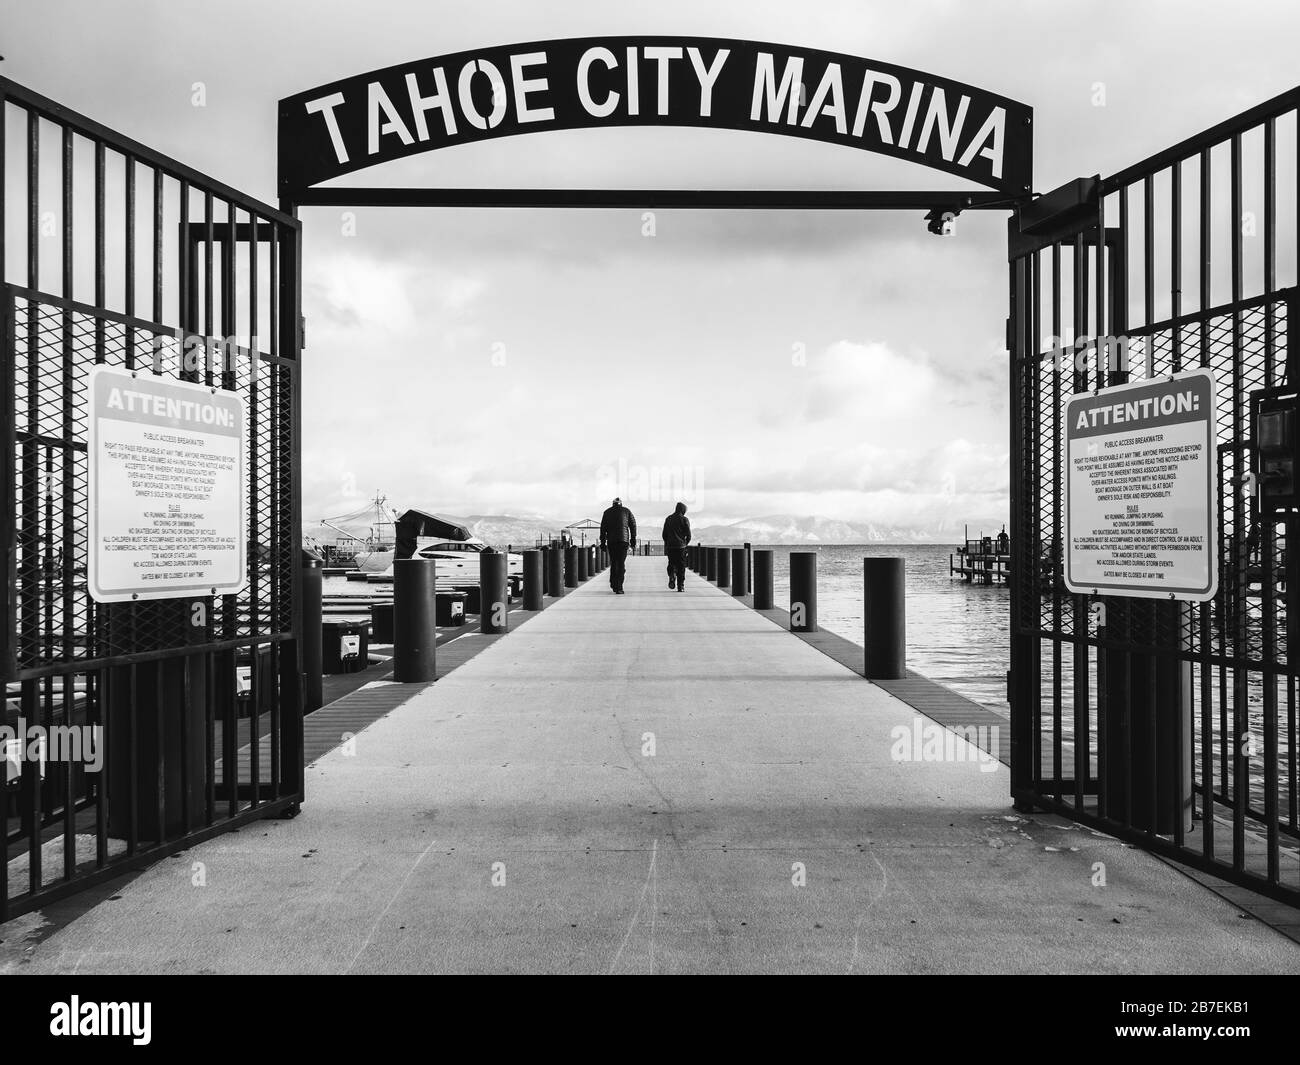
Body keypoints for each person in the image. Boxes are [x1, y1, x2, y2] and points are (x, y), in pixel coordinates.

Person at [599, 497, 636, 594]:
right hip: (623, 542)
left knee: (614, 562)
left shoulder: (607, 512)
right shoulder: (627, 511)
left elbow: (603, 529)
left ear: (613, 504)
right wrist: (633, 540)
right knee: (621, 563)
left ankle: (613, 583)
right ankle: (619, 586)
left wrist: (603, 543)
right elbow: (633, 526)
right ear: (621, 504)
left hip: (612, 541)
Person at [661, 502, 691, 592]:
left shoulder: (668, 519)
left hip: (670, 547)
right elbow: (688, 535)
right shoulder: (684, 519)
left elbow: (664, 534)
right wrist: (685, 544)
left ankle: (672, 575)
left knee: (671, 563)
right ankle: (680, 586)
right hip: (681, 547)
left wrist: (667, 543)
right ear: (683, 510)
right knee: (681, 566)